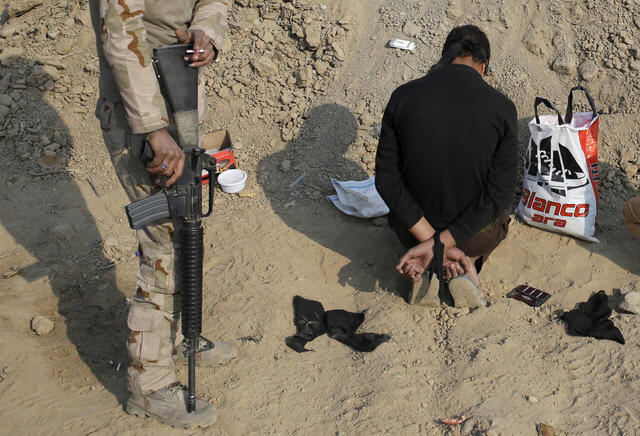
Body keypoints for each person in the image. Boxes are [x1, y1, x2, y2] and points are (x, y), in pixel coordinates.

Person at [89, 0, 235, 429]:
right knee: (164, 244)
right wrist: (153, 128)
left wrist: (207, 32)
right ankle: (149, 385)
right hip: (140, 116)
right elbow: (120, 34)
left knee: (187, 230)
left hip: (181, 98)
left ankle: (178, 339)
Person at [375, 25, 517, 308]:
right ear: (484, 66)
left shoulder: (402, 96)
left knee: (403, 214)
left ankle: (426, 263)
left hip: (412, 233)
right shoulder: (502, 108)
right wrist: (442, 244)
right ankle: (463, 263)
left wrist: (431, 241)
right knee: (499, 221)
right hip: (473, 238)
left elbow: (386, 180)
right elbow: (499, 194)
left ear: (444, 58)